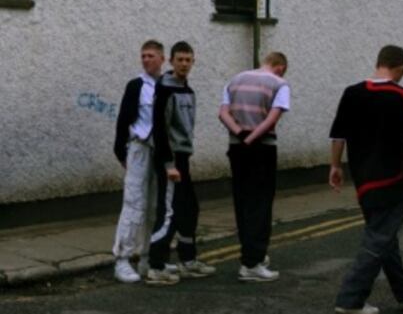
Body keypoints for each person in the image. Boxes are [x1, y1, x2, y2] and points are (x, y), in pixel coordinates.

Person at [329, 45, 403, 314]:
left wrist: (335, 166)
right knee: (378, 240)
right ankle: (350, 300)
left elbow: (338, 135)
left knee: (384, 237)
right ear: (401, 67)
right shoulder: (402, 96)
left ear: (379, 62)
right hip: (393, 180)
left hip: (363, 179)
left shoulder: (352, 93)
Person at [147, 41, 216, 284]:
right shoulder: (165, 90)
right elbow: (160, 130)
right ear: (171, 61)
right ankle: (156, 266)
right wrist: (168, 164)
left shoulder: (187, 90)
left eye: (188, 60)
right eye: (180, 60)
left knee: (189, 209)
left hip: (183, 157)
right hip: (171, 159)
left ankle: (187, 261)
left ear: (193, 62)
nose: (184, 64)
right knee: (168, 213)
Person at [218, 52, 290, 282]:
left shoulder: (234, 80)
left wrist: (240, 134)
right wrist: (252, 139)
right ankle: (253, 263)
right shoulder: (280, 84)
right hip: (262, 147)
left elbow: (223, 113)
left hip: (236, 146)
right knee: (261, 203)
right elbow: (272, 119)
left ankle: (249, 254)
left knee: (242, 201)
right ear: (279, 67)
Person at [112, 39, 166, 284]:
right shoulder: (135, 85)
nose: (146, 60)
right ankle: (122, 259)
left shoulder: (167, 85)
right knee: (134, 203)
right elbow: (123, 120)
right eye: (143, 55)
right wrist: (121, 153)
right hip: (139, 148)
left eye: (151, 56)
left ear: (162, 59)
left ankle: (147, 258)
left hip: (160, 152)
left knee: (155, 206)